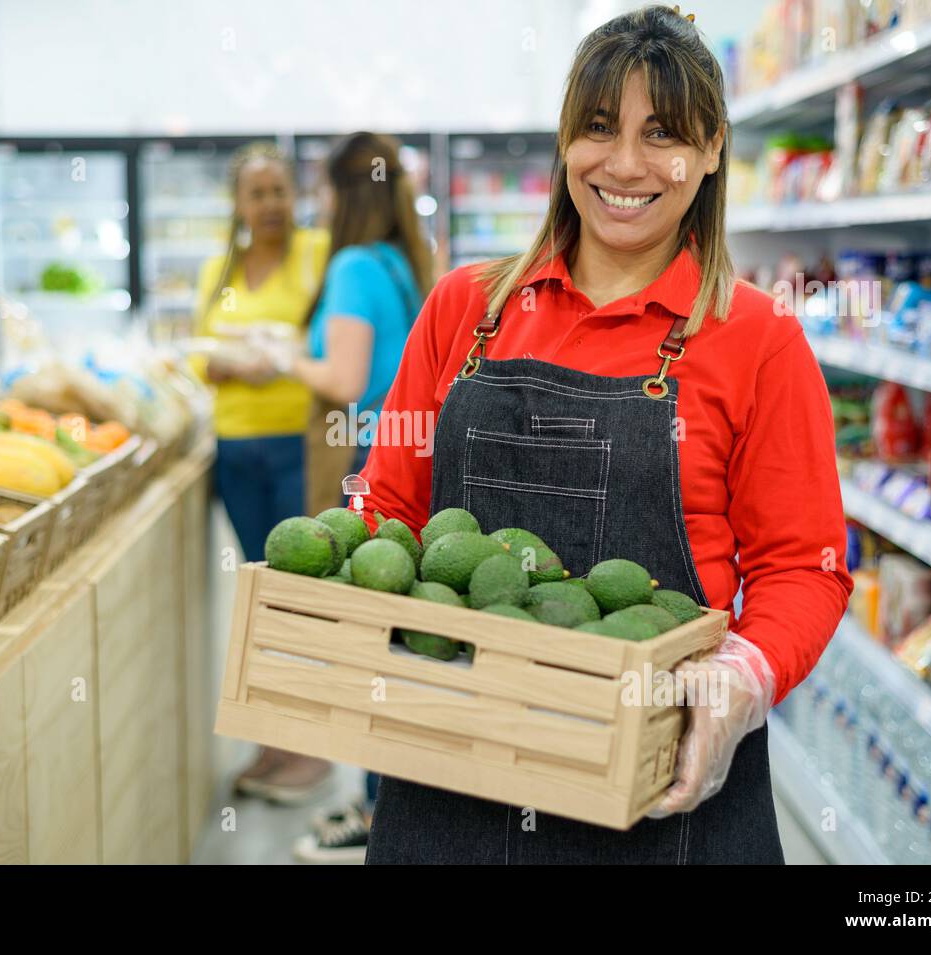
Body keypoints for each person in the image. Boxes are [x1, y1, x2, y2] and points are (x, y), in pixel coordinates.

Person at [356, 4, 852, 864]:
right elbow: (386, 507)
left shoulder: (759, 341)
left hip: (663, 792)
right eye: (597, 128)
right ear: (563, 139)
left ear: (711, 149)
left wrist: (739, 680)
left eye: (663, 134)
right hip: (451, 774)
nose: (625, 165)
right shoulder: (464, 311)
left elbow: (804, 567)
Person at [264, 132, 431, 862]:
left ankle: (372, 809)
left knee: (364, 631)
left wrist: (282, 356)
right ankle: (390, 801)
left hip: (370, 459)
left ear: (344, 194)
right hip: (412, 454)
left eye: (324, 190)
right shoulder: (405, 261)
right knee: (394, 632)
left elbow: (345, 380)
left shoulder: (355, 265)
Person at [192, 143, 334, 804]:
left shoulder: (319, 254)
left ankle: (310, 749)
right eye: (258, 193)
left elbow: (332, 339)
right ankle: (275, 741)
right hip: (236, 450)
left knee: (298, 595)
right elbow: (200, 354)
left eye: (280, 190)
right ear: (239, 203)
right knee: (258, 594)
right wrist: (231, 364)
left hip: (296, 444)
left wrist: (278, 357)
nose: (271, 204)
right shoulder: (217, 269)